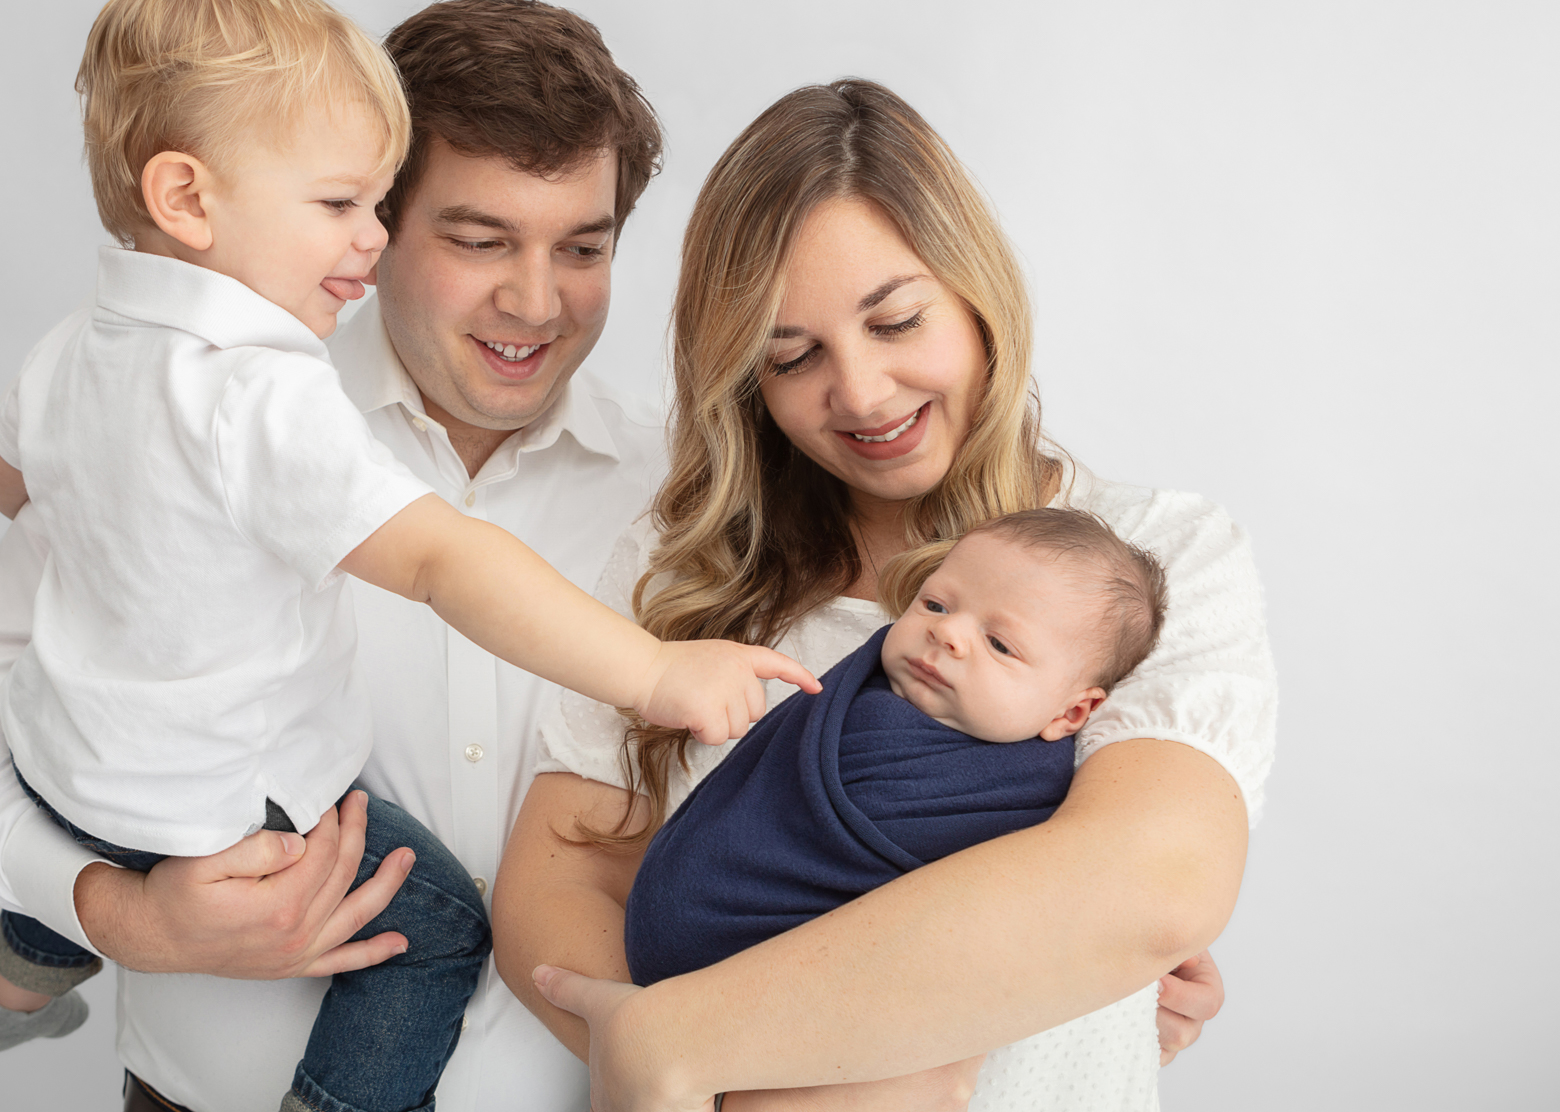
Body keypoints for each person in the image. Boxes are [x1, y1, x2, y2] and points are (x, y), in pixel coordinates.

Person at [0, 0, 703, 1112]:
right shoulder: (188, 420)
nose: (537, 298)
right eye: (478, 239)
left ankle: (21, 975)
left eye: (584, 246)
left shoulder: (687, 495)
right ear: (375, 222)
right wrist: (114, 913)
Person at [497, 80, 1276, 1111]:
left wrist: (686, 1039)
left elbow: (1149, 882)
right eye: (793, 354)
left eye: (897, 319)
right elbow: (561, 879)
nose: (860, 392)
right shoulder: (682, 570)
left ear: (976, 293)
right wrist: (725, 1088)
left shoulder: (1158, 559)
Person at [624, 509, 1168, 1103]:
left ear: (1071, 714)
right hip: (704, 961)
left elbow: (1040, 909)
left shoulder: (1044, 800)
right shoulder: (860, 700)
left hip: (771, 1006)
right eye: (936, 605)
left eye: (999, 643)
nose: (949, 633)